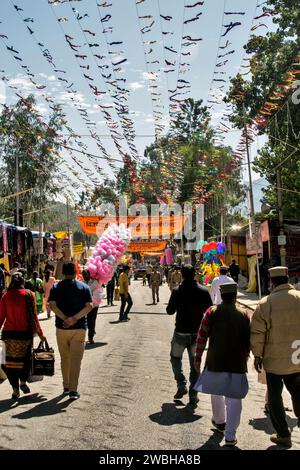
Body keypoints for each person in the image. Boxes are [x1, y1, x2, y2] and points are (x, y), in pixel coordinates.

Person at [194, 283, 250, 447]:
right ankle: (230, 436)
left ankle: (219, 422)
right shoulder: (244, 314)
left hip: (215, 360)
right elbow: (248, 340)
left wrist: (198, 357)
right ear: (235, 295)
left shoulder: (211, 312)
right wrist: (248, 357)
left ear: (220, 294)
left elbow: (201, 335)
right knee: (234, 398)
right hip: (237, 362)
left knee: (216, 392)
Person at [250, 266, 300, 448]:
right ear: (288, 279)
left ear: (271, 281)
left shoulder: (266, 303)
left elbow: (257, 333)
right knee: (297, 391)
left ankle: (283, 434)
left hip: (274, 361)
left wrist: (257, 355)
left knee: (275, 397)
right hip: (298, 358)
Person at [167, 265, 212, 408]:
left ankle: (181, 384)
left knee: (175, 359)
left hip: (180, 331)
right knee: (195, 364)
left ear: (182, 275)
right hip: (197, 334)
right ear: (195, 275)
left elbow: (170, 311)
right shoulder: (204, 291)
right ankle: (193, 394)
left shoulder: (177, 291)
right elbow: (209, 311)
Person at [48, 262, 93, 399]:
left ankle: (66, 386)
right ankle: (73, 390)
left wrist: (65, 318)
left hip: (61, 328)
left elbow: (52, 305)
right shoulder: (84, 287)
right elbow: (89, 306)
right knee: (76, 360)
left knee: (65, 358)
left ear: (63, 273)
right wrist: (74, 318)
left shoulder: (56, 287)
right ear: (75, 272)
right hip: (79, 328)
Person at [0, 272, 45, 399]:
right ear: (23, 282)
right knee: (25, 360)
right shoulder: (29, 295)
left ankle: (15, 389)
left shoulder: (5, 296)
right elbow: (34, 317)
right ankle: (23, 381)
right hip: (25, 334)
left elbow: (0, 318)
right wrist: (41, 334)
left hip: (8, 335)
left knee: (9, 363)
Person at [82, 269, 99, 345]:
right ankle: (92, 331)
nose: (84, 276)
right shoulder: (82, 282)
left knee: (91, 321)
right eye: (83, 275)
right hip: (86, 305)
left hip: (94, 305)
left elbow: (88, 289)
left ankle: (90, 338)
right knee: (89, 321)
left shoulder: (95, 282)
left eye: (85, 274)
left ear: (89, 275)